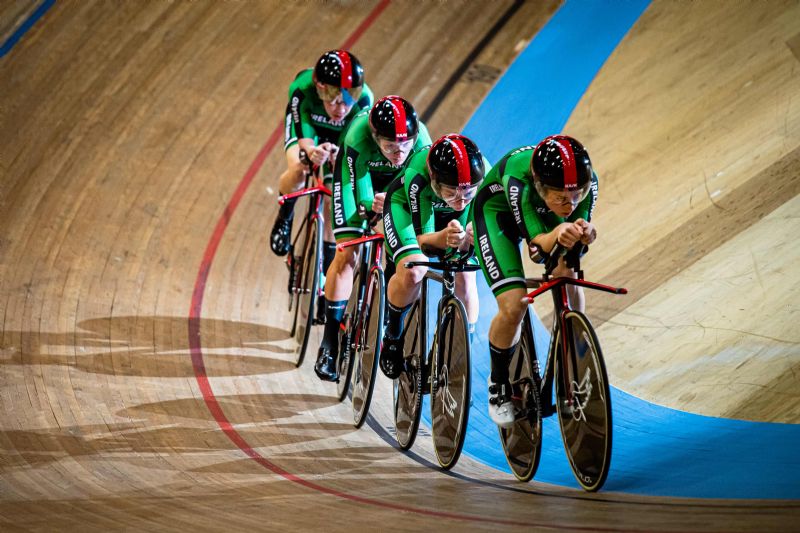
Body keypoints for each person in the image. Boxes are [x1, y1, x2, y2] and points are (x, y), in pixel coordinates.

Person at [471, 135, 598, 427]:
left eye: (578, 194)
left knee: (568, 274)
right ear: (542, 188)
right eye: (563, 198)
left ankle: (572, 351)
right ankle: (499, 384)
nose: (572, 202)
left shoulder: (585, 183)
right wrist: (558, 232)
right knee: (515, 304)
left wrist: (586, 231)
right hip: (498, 216)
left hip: (544, 214)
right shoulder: (520, 180)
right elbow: (538, 250)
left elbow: (577, 233)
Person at [314, 95, 431, 381]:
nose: (399, 151)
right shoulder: (358, 137)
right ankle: (329, 342)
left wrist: (391, 205)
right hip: (359, 179)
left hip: (395, 187)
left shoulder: (422, 142)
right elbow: (362, 194)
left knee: (403, 251)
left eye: (405, 144)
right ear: (376, 137)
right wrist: (370, 205)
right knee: (347, 254)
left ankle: (391, 318)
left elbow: (413, 190)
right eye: (390, 145)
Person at [379, 134, 487, 379]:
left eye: (468, 193)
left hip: (450, 223)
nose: (460, 201)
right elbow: (424, 241)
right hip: (407, 210)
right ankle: (393, 336)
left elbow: (485, 221)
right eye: (451, 193)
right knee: (414, 269)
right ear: (436, 182)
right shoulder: (419, 176)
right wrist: (446, 238)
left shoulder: (483, 176)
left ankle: (460, 355)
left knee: (467, 278)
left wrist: (473, 233)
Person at [269, 50, 374, 289]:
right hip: (310, 127)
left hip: (343, 136)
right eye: (333, 98)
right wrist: (311, 152)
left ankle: (326, 262)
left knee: (333, 194)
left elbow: (355, 146)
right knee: (298, 168)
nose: (341, 107)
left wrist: (339, 157)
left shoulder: (365, 100)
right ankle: (285, 217)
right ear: (320, 89)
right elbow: (303, 137)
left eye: (349, 98)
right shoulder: (301, 89)